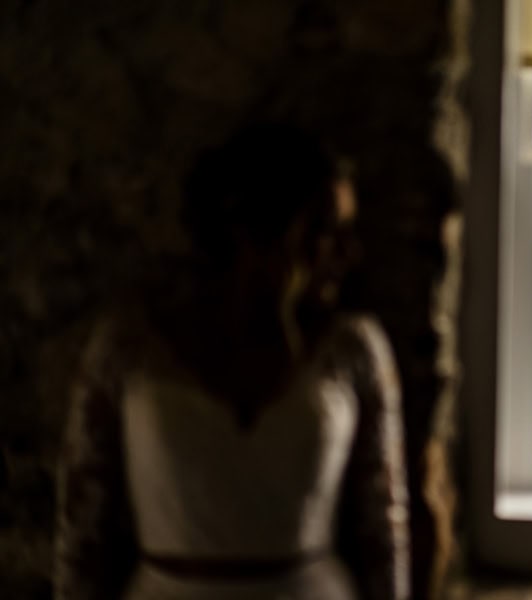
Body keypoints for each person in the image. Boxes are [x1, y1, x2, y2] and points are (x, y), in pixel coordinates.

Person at [54, 124, 410, 600]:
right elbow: (84, 537)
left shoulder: (352, 349)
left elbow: (382, 531)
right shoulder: (128, 349)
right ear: (256, 232)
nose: (350, 253)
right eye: (325, 230)